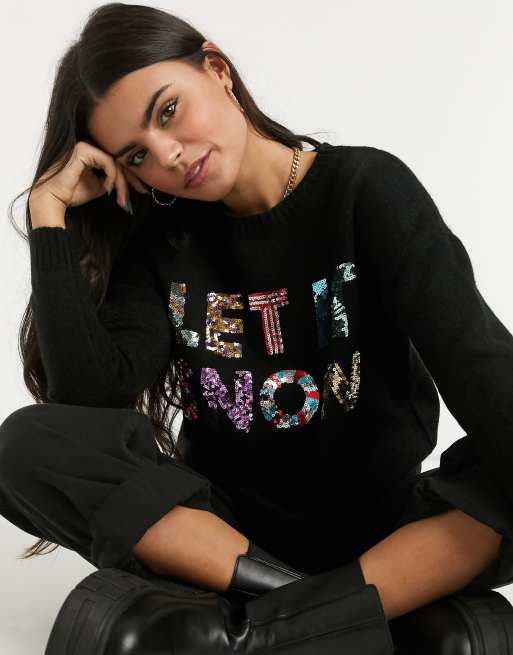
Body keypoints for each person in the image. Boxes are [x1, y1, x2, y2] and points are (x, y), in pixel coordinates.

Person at [2, 2, 513, 653]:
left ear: (216, 69)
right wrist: (48, 216)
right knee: (23, 444)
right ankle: (344, 617)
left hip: (386, 531)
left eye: (168, 111)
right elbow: (88, 401)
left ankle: (258, 632)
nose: (168, 154)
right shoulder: (162, 242)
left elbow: (478, 364)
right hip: (226, 544)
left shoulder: (364, 190)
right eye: (137, 154)